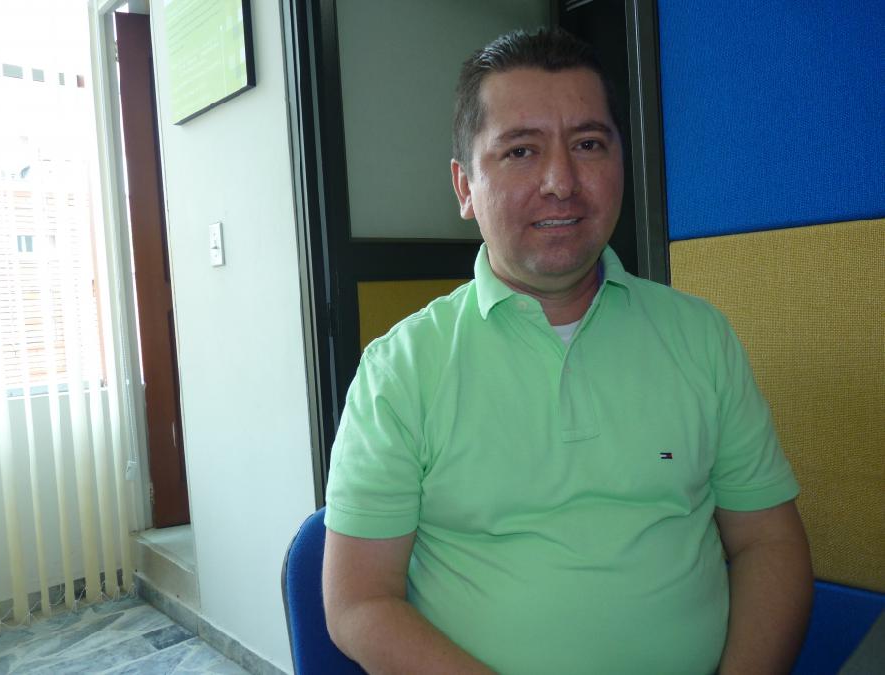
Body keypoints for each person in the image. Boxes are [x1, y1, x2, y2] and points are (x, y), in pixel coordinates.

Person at [321, 28, 813, 675]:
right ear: (464, 187)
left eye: (588, 144)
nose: (561, 181)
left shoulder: (700, 338)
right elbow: (358, 601)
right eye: (521, 151)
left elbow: (768, 542)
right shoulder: (400, 371)